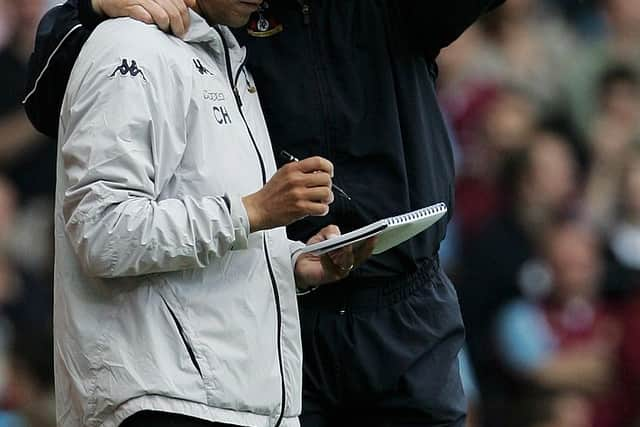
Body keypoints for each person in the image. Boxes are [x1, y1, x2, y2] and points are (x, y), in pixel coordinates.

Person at [24, 1, 505, 425]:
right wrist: (92, 8)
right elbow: (49, 101)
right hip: (265, 312)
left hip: (399, 306)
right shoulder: (224, 15)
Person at [51, 1, 374, 426]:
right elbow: (103, 231)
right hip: (161, 401)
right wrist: (254, 211)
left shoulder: (226, 58)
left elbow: (213, 227)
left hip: (244, 405)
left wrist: (290, 263)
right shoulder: (127, 44)